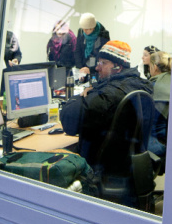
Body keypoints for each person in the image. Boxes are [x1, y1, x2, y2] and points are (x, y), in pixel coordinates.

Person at [61, 40, 153, 176]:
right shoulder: (142, 85)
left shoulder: (109, 95)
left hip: (104, 168)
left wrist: (83, 96)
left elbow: (68, 121)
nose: (97, 68)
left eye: (102, 63)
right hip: (131, 164)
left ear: (117, 67)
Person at [147, 50, 172, 159]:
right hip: (170, 142)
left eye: (149, 66)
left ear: (155, 67)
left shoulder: (151, 85)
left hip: (156, 145)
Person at [73, 12, 110, 80]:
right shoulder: (81, 32)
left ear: (93, 27)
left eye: (87, 29)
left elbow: (104, 58)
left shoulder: (104, 35)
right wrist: (81, 69)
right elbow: (77, 51)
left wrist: (91, 70)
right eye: (83, 28)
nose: (85, 31)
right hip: (83, 68)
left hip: (97, 71)